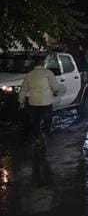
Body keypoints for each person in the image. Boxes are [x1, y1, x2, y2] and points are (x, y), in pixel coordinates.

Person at [19, 57, 64, 185]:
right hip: (46, 102)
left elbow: (23, 90)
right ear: (43, 64)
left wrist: (21, 101)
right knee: (47, 120)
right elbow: (55, 87)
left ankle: (39, 137)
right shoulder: (48, 73)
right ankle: (44, 135)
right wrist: (56, 92)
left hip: (33, 102)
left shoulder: (29, 75)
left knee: (35, 122)